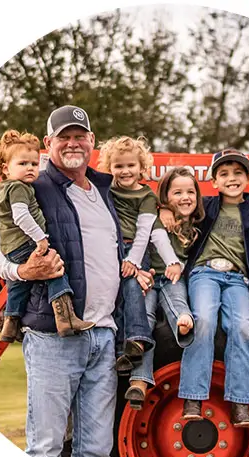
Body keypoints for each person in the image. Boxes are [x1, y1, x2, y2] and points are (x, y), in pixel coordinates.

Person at [0, 105, 154, 457]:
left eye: (80, 136)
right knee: (44, 451)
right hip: (55, 340)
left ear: (92, 141)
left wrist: (138, 271)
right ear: (48, 144)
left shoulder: (104, 191)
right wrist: (22, 271)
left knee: (94, 452)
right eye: (64, 137)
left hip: (104, 337)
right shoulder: (29, 187)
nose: (72, 143)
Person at [175, 149, 249, 427]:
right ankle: (193, 397)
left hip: (237, 279)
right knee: (202, 321)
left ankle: (240, 404)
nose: (232, 179)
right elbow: (180, 206)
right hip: (205, 273)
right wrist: (169, 213)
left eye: (238, 173)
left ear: (248, 178)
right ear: (214, 181)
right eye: (224, 174)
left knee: (242, 327)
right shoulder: (206, 206)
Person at [0, 129, 94, 342]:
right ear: (5, 168)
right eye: (22, 164)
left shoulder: (3, 188)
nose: (30, 168)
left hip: (11, 247)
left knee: (18, 285)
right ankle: (66, 318)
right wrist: (40, 238)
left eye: (34, 164)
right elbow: (20, 216)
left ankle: (11, 324)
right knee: (54, 269)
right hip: (25, 242)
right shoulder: (19, 188)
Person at [124, 167, 203, 409]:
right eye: (177, 192)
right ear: (166, 197)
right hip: (149, 276)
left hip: (172, 279)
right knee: (144, 320)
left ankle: (183, 322)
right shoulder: (159, 216)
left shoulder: (198, 223)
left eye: (190, 191)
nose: (185, 197)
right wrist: (163, 209)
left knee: (177, 302)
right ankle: (139, 382)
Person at [96, 136, 157, 373]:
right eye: (118, 166)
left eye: (130, 165)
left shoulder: (147, 196)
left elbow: (144, 231)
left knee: (132, 286)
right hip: (113, 248)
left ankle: (138, 337)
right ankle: (122, 353)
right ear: (109, 168)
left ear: (141, 167)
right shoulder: (107, 191)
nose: (125, 171)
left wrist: (133, 260)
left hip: (136, 248)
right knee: (117, 294)